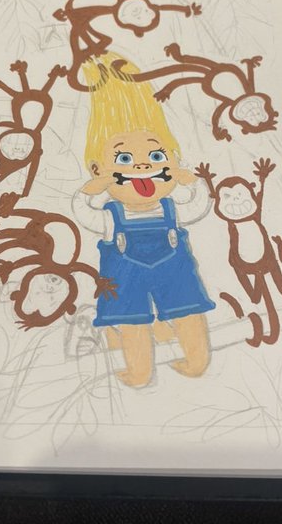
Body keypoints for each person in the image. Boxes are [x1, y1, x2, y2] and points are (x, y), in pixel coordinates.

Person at [72, 52, 215, 387]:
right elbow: (84, 213)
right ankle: (139, 372)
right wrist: (88, 192)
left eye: (155, 155)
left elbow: (198, 205)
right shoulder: (111, 217)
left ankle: (197, 360)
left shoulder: (173, 209)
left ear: (173, 160)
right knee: (131, 320)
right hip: (127, 275)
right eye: (124, 158)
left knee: (187, 308)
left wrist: (192, 182)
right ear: (99, 170)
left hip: (173, 270)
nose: (141, 166)